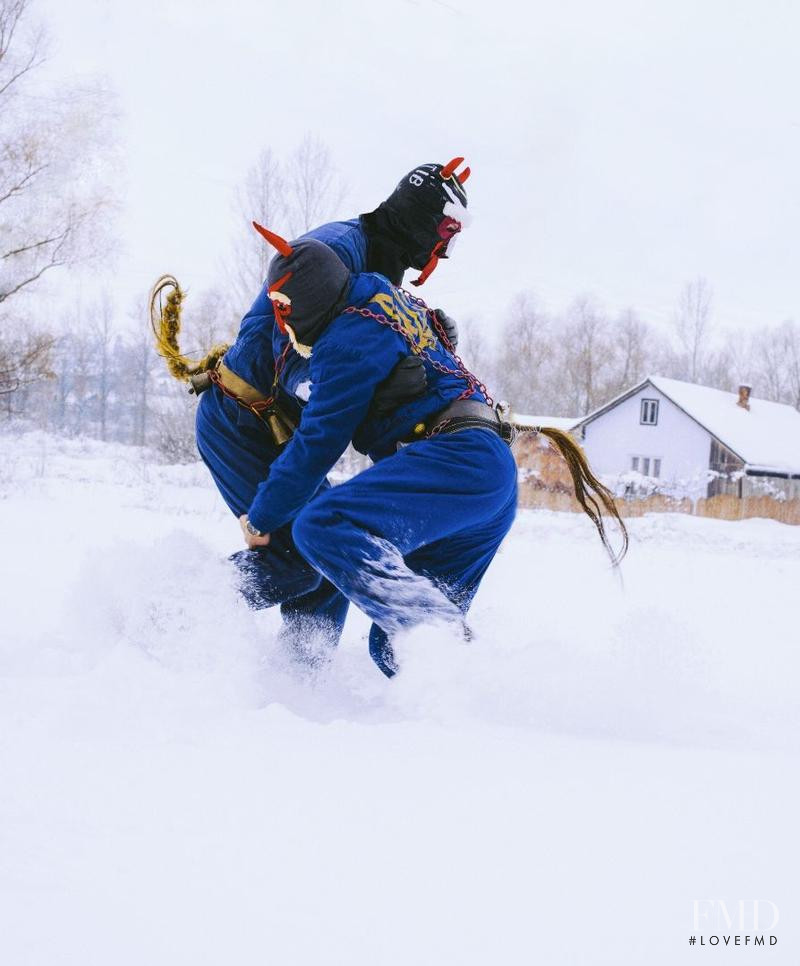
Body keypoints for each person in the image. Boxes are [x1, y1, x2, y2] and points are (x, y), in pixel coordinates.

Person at [237, 231, 627, 676]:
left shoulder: (346, 340)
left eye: (283, 310)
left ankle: (459, 656)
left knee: (323, 525)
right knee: (398, 650)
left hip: (458, 459)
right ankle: (480, 700)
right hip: (487, 478)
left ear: (305, 301)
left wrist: (263, 515)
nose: (283, 322)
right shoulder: (382, 297)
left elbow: (317, 444)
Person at [190, 158, 472, 655]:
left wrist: (423, 340)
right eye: (447, 232)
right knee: (300, 559)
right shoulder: (334, 253)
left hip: (280, 427)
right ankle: (166, 609)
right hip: (242, 416)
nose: (446, 251)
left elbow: (367, 341)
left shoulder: (380, 262)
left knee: (322, 561)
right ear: (421, 220)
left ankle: (300, 684)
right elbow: (278, 344)